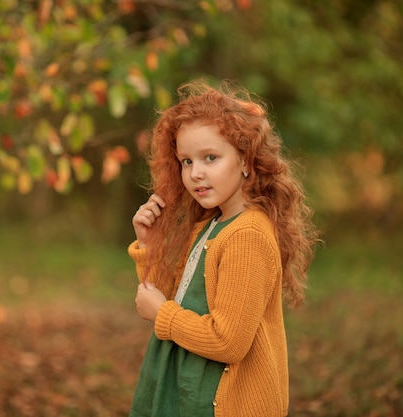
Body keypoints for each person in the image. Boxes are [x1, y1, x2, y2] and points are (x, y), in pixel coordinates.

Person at [127, 79, 319, 417]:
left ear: (245, 159)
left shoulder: (246, 235)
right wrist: (147, 243)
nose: (196, 173)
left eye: (210, 158)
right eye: (186, 161)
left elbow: (228, 341)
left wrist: (163, 315)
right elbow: (169, 300)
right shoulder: (213, 226)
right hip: (189, 391)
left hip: (220, 403)